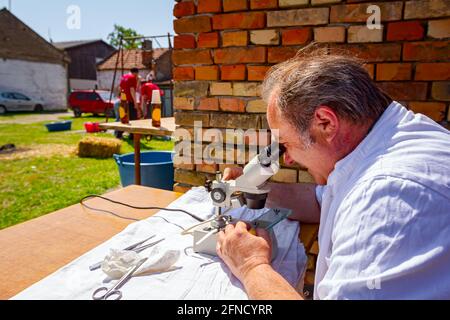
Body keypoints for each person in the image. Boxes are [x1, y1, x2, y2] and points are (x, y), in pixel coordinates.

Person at [217, 47, 450, 300]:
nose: (288, 158)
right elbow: (323, 198)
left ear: (325, 123)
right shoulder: (392, 140)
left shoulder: (386, 196)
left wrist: (251, 265)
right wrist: (251, 188)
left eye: (286, 144)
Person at [119, 67, 141, 140]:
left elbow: (120, 88)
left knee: (123, 118)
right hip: (130, 101)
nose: (137, 76)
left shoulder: (123, 77)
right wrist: (135, 102)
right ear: (136, 73)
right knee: (133, 118)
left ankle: (119, 134)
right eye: (137, 75)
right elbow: (132, 90)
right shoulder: (132, 78)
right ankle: (132, 136)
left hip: (123, 100)